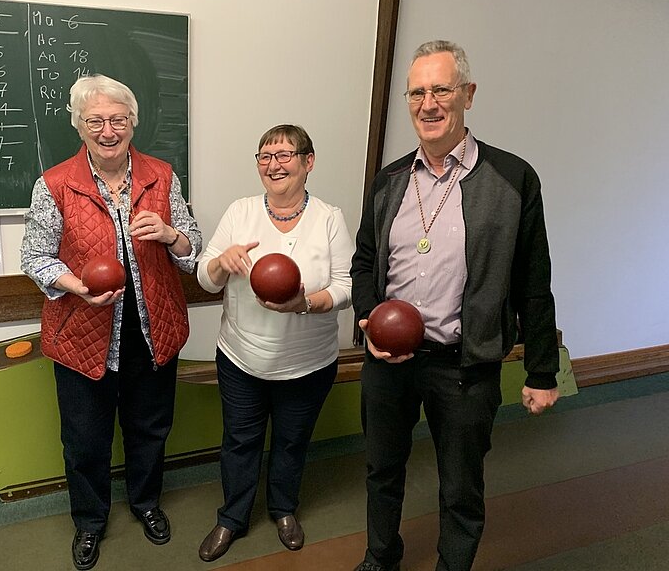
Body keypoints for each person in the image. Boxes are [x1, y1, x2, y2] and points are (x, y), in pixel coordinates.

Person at [350, 41, 560, 571]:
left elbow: (534, 280)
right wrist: (369, 320)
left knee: (461, 485)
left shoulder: (513, 178)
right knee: (381, 471)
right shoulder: (389, 180)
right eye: (417, 93)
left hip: (465, 366)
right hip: (388, 362)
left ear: (467, 94)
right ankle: (380, 557)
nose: (428, 104)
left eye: (441, 89)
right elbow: (365, 261)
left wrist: (541, 370)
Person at [21, 74, 201, 570]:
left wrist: (170, 234)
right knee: (85, 439)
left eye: (118, 120)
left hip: (151, 329)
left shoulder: (162, 176)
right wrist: (78, 286)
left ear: (133, 123)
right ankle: (89, 521)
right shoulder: (55, 184)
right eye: (95, 121)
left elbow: (192, 251)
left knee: (150, 428)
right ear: (79, 125)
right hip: (83, 333)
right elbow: (35, 257)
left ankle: (146, 503)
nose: (107, 131)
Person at [196, 124, 353, 562]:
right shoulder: (240, 212)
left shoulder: (329, 218)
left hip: (308, 364)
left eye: (284, 155)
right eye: (265, 156)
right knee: (239, 441)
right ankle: (232, 517)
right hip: (241, 358)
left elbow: (346, 287)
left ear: (308, 161)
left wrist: (306, 303)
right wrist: (221, 263)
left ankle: (283, 509)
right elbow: (206, 278)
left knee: (291, 441)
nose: (273, 164)